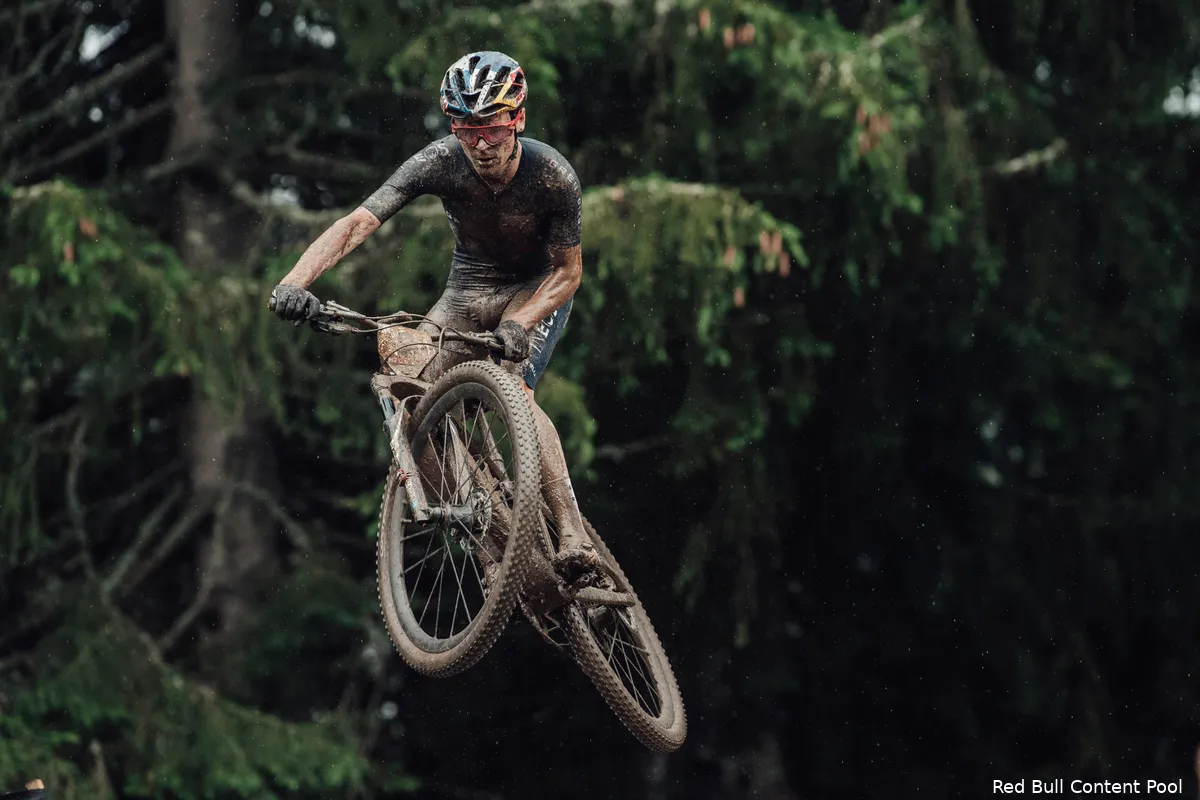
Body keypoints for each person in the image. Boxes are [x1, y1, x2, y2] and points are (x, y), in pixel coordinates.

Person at [270, 51, 597, 569]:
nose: (481, 144)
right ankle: (487, 546)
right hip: (466, 289)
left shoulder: (553, 176)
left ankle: (575, 536)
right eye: (466, 129)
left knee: (517, 393)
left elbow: (568, 273)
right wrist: (295, 282)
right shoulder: (439, 161)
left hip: (534, 289)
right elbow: (357, 223)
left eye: (492, 127)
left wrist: (521, 322)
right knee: (411, 403)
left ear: (518, 119)